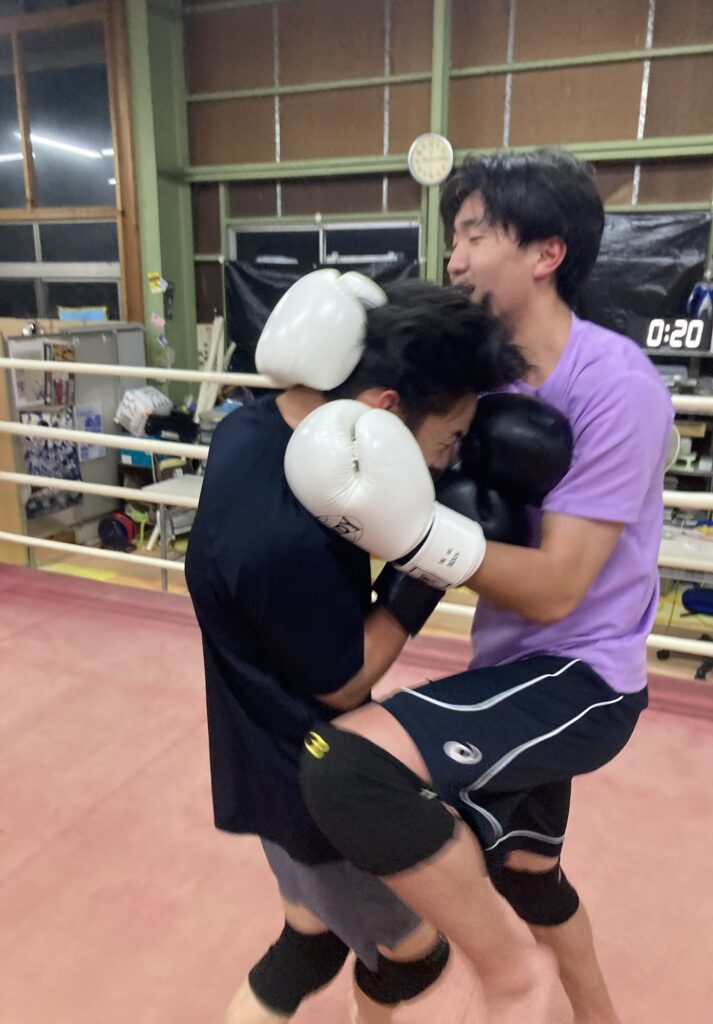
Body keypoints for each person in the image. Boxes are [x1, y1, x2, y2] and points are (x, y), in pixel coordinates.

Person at [289, 149, 674, 1024]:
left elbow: (556, 590)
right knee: (530, 873)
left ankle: (511, 980)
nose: (454, 259)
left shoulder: (616, 389)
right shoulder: (482, 375)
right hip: (507, 666)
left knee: (345, 766)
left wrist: (414, 534)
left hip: (583, 678)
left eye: (473, 236)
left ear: (546, 253)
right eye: (454, 238)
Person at [184, 269, 527, 1024]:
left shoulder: (254, 428)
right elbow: (343, 680)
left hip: (258, 744)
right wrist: (429, 564)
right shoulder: (284, 541)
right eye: (448, 441)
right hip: (304, 772)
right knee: (414, 955)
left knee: (311, 942)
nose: (448, 462)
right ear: (384, 409)